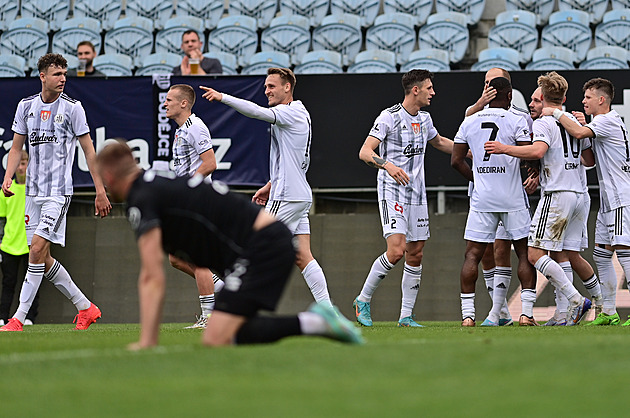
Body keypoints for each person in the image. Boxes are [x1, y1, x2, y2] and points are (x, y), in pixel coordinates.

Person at [96, 140, 362, 349]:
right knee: (231, 333)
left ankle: (319, 321)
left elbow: (152, 274)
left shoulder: (142, 197)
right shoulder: (155, 185)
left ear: (108, 176)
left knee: (216, 338)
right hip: (259, 245)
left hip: (262, 246)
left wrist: (148, 341)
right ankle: (315, 322)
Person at [200, 68, 334, 309]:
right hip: (298, 195)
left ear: (287, 87)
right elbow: (298, 160)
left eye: (272, 86)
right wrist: (270, 184)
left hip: (287, 196)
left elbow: (257, 112)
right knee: (303, 256)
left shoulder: (287, 113)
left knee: (250, 246)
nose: (267, 91)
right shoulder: (301, 112)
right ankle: (329, 311)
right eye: (265, 87)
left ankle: (224, 298)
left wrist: (223, 97)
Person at [0, 53, 111, 332]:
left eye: (64, 74)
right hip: (32, 194)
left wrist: (100, 190)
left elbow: (89, 150)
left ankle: (17, 318)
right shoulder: (26, 106)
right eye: (57, 74)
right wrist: (8, 177)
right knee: (42, 258)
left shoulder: (74, 108)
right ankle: (85, 306)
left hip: (57, 193)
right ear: (42, 77)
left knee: (36, 251)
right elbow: (16, 147)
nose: (63, 79)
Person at [485, 71, 602, 326]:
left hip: (557, 193)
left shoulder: (543, 122)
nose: (532, 105)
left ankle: (575, 299)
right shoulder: (572, 120)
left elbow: (538, 150)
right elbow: (589, 160)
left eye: (536, 99)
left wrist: (504, 148)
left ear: (545, 97)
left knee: (535, 254)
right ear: (564, 96)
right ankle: (566, 313)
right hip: (578, 194)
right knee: (561, 253)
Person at [353, 69, 456, 327]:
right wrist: (388, 165)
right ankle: (363, 300)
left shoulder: (425, 119)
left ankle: (406, 316)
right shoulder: (389, 117)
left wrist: (471, 152)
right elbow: (365, 152)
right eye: (429, 88)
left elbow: (441, 142)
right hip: (392, 191)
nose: (433, 93)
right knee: (396, 251)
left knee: (416, 253)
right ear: (416, 90)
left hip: (417, 195)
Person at [542, 78, 630, 326]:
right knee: (602, 255)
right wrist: (577, 123)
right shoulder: (600, 123)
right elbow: (588, 159)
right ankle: (609, 312)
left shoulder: (607, 120)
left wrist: (557, 113)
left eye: (588, 97)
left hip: (621, 197)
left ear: (601, 100)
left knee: (625, 253)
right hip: (608, 199)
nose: (583, 101)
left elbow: (580, 133)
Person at [451, 77, 537, 327]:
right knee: (523, 253)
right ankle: (526, 314)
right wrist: (533, 173)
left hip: (483, 198)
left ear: (488, 94)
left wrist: (477, 179)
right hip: (512, 196)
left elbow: (456, 161)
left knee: (472, 254)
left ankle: (468, 316)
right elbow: (528, 155)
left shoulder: (469, 120)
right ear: (509, 96)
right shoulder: (517, 119)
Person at [164, 83, 225, 329]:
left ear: (184, 104)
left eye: (169, 100)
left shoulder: (196, 127)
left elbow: (210, 163)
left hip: (196, 201)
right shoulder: (181, 131)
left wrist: (188, 188)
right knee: (175, 258)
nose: (165, 104)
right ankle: (218, 285)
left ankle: (209, 317)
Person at [0, 150, 39, 326]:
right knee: (8, 283)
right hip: (9, 244)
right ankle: (3, 317)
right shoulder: (6, 190)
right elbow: (1, 219)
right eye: (19, 164)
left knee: (32, 282)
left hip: (31, 244)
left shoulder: (36, 190)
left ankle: (29, 317)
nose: (22, 167)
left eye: (24, 163)